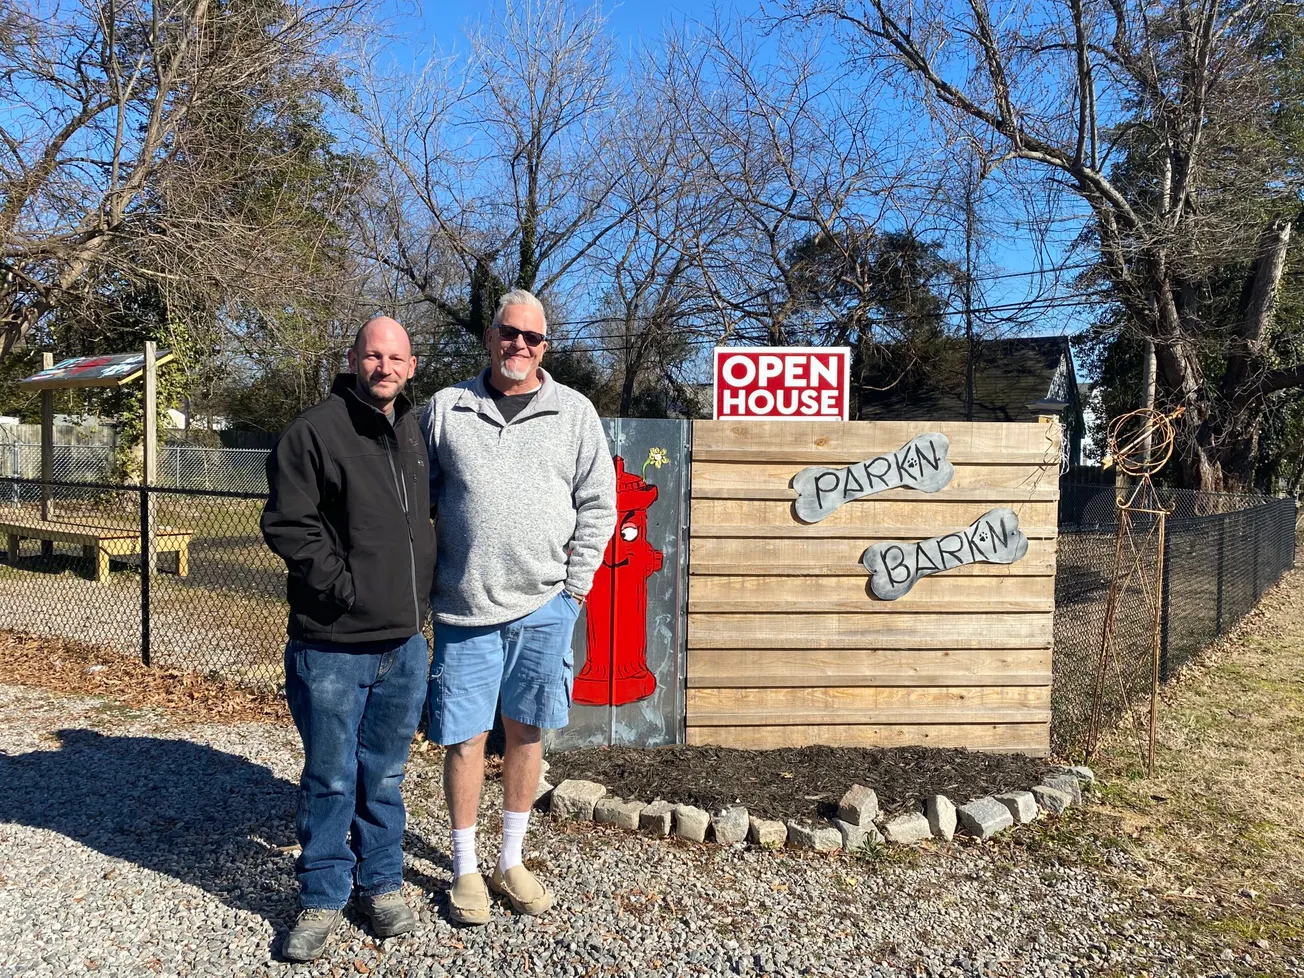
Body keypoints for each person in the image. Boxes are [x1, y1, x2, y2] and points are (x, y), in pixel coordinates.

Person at [419, 289, 616, 925]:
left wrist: (574, 589)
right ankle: (466, 867)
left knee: (528, 733)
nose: (520, 346)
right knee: (465, 739)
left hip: (544, 609)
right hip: (465, 609)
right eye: (510, 333)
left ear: (545, 347)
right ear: (489, 335)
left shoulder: (575, 413)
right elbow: (412, 502)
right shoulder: (448, 409)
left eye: (533, 338)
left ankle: (511, 858)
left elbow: (598, 504)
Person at [261, 317, 435, 961]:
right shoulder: (315, 432)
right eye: (372, 355)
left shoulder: (416, 434)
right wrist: (346, 589)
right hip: (331, 644)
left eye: (395, 357)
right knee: (331, 776)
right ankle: (322, 895)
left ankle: (381, 884)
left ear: (411, 366)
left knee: (385, 774)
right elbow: (288, 525)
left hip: (405, 644)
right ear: (354, 359)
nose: (384, 366)